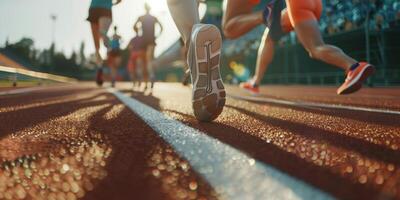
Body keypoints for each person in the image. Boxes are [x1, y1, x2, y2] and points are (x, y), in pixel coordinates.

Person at [239, 0, 375, 95]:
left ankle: (354, 67)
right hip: (315, 4)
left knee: (315, 48)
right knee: (269, 37)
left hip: (298, 4)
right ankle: (255, 82)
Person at [167, 0, 226, 122]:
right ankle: (195, 34)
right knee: (195, 31)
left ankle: (193, 36)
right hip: (218, 20)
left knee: (190, 31)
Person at [87, 0, 121, 86]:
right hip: (104, 8)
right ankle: (108, 46)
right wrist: (112, 3)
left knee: (97, 45)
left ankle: (100, 64)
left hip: (94, 8)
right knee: (100, 37)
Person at [133, 3, 163, 91]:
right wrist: (157, 36)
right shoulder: (154, 17)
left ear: (145, 8)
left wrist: (138, 32)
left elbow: (134, 26)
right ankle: (151, 76)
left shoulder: (141, 17)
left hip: (143, 41)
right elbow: (162, 27)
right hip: (151, 40)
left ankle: (146, 82)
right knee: (149, 59)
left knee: (143, 61)